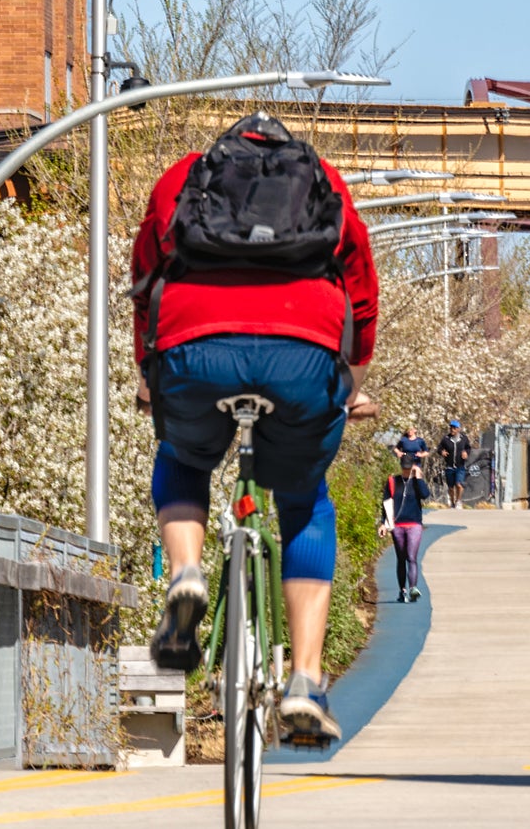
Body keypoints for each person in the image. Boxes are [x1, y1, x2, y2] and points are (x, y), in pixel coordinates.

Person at [132, 111, 379, 745]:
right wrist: (349, 374)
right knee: (303, 500)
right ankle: (303, 679)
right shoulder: (326, 181)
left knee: (183, 457)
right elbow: (360, 286)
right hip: (303, 354)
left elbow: (145, 277)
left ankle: (187, 573)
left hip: (194, 344)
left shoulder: (183, 178)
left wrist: (147, 369)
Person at [382, 460, 430, 602]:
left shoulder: (416, 482)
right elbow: (386, 503)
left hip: (414, 524)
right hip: (397, 525)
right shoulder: (393, 481)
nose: (407, 471)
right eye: (405, 468)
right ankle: (402, 590)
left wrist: (419, 478)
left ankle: (413, 588)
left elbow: (425, 495)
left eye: (409, 468)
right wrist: (383, 524)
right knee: (401, 558)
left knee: (412, 557)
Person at [437, 419, 472, 508]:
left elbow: (468, 448)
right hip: (449, 466)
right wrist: (442, 452)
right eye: (451, 428)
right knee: (451, 487)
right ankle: (452, 502)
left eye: (454, 428)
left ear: (458, 429)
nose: (452, 430)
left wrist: (466, 453)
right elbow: (439, 448)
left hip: (460, 466)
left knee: (459, 484)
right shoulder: (446, 439)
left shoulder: (464, 438)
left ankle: (458, 501)